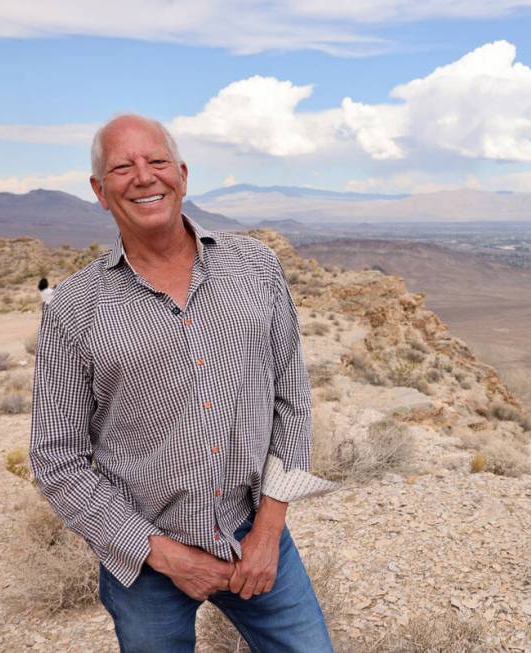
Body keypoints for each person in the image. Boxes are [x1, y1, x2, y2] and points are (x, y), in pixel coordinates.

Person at [29, 114, 336, 653]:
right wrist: (164, 556)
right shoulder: (73, 309)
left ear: (183, 174)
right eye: (122, 167)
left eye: (157, 161)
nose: (143, 177)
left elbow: (292, 399)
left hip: (255, 536)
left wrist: (267, 533)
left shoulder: (256, 267)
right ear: (100, 192)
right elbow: (57, 459)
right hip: (145, 560)